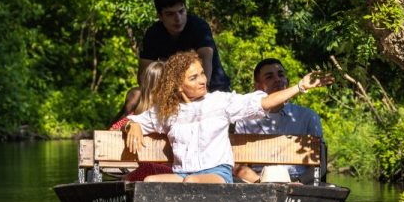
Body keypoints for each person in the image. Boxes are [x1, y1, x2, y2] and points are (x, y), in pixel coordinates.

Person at [123, 51, 333, 183]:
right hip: (183, 174)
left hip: (216, 174)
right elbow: (134, 120)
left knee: (192, 183)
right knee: (150, 181)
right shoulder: (168, 111)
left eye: (202, 74)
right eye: (194, 78)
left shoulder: (220, 102)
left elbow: (264, 102)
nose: (203, 80)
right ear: (178, 86)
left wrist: (299, 87)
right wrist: (133, 126)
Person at [119, 0, 232, 117]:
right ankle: (119, 127)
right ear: (160, 16)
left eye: (181, 11)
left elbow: (206, 60)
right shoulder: (153, 34)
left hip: (211, 88)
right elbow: (144, 78)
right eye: (170, 14)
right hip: (173, 93)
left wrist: (199, 93)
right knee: (134, 96)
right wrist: (165, 94)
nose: (178, 18)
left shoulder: (199, 27)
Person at [232, 58, 323, 184]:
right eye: (269, 77)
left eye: (281, 75)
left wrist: (298, 182)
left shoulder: (308, 117)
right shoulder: (245, 120)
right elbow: (237, 166)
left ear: (287, 81)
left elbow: (320, 165)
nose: (278, 79)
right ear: (257, 87)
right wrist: (261, 183)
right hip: (257, 183)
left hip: (299, 183)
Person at [109, 61, 174, 181]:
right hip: (151, 172)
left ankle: (126, 179)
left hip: (172, 171)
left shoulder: (173, 112)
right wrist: (130, 125)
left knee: (148, 169)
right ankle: (126, 179)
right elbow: (113, 130)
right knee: (148, 169)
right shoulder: (141, 116)